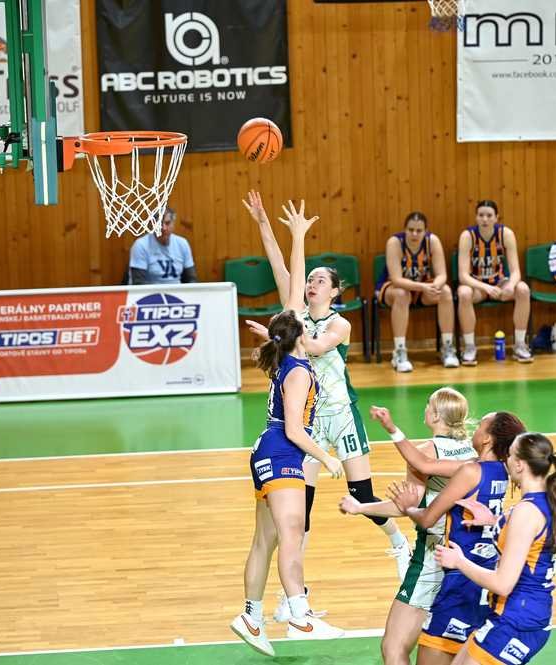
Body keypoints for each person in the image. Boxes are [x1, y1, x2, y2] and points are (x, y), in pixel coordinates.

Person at [241, 190, 412, 620]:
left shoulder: (339, 323)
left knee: (362, 494)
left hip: (341, 414)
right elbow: (280, 264)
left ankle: (398, 541)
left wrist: (277, 334)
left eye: (321, 280)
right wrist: (263, 222)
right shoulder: (295, 314)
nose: (312, 282)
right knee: (302, 512)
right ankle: (293, 595)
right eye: (310, 278)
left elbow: (314, 347)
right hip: (308, 420)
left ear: (334, 291)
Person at [229, 201, 345, 657]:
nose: (300, 307)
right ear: (298, 334)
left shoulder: (290, 355)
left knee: (266, 539)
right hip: (282, 450)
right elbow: (296, 430)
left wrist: (287, 234)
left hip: (268, 449)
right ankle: (299, 615)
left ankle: (250, 615)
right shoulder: (297, 370)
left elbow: (292, 281)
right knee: (292, 532)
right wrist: (326, 457)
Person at [339, 390, 477, 665]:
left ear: (435, 416)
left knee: (394, 647)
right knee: (451, 649)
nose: (424, 409)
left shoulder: (425, 452)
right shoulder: (473, 451)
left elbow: (405, 506)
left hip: (432, 559)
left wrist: (360, 507)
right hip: (468, 559)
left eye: (428, 405)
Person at [386, 411, 526, 665]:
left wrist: (408, 508)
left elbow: (427, 519)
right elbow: (424, 464)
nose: (475, 428)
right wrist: (391, 428)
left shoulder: (471, 471)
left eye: (481, 425)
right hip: (484, 576)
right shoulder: (502, 470)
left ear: (488, 439)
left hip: (459, 580)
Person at [434, 432, 556, 665]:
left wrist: (459, 561)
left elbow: (502, 583)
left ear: (519, 465)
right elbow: (533, 542)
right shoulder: (548, 503)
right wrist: (493, 522)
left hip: (517, 620)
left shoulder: (526, 512)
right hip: (520, 614)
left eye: (509, 455)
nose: (506, 460)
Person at [374, 212, 458, 372]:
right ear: (405, 229)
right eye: (411, 230)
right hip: (392, 287)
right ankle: (399, 352)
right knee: (402, 294)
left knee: (445, 292)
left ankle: (447, 347)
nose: (414, 234)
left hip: (421, 287)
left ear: (426, 231)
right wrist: (424, 287)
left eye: (419, 230)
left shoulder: (432, 241)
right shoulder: (395, 242)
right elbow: (396, 279)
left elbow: (442, 275)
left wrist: (435, 286)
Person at [456, 201, 533, 365]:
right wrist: (486, 287)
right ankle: (469, 347)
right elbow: (463, 276)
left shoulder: (506, 234)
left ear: (496, 217)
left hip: (499, 284)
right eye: (481, 215)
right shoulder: (467, 236)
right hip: (477, 286)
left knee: (523, 289)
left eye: (489, 215)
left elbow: (515, 271)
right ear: (476, 217)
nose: (485, 219)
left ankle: (520, 345)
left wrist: (510, 285)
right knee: (463, 293)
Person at [127, 207, 197, 285]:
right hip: (151, 291)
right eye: (159, 224)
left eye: (167, 223)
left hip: (177, 291)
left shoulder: (182, 243)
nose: (163, 228)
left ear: (173, 223)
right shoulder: (141, 245)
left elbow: (191, 279)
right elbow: (138, 283)